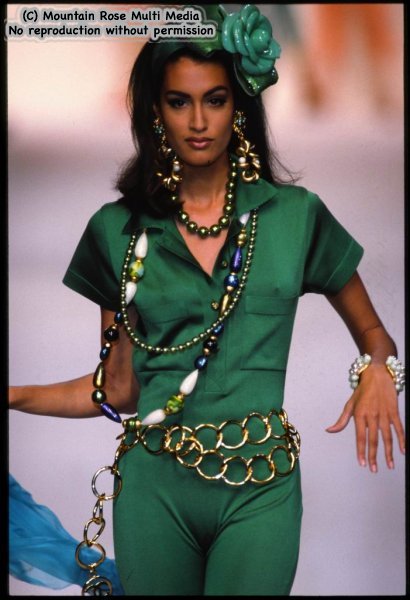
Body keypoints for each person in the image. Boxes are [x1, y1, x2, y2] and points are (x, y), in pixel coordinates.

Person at [9, 4, 405, 596]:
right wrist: (13, 396)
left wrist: (379, 370)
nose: (198, 121)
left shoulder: (295, 218)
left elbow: (374, 335)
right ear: (155, 111)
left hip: (260, 482)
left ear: (238, 106)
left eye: (215, 100)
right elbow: (119, 389)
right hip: (153, 490)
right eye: (179, 101)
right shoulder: (117, 231)